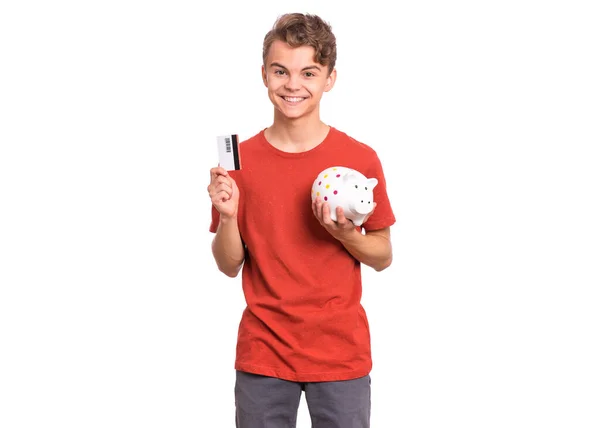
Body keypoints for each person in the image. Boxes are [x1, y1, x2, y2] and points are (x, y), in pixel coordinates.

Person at [207, 12, 396, 428]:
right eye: (281, 71)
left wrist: (345, 235)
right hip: (263, 353)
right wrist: (228, 216)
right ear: (264, 75)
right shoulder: (239, 162)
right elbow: (228, 264)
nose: (293, 85)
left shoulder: (360, 159)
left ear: (329, 78)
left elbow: (382, 255)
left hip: (340, 353)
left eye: (309, 72)